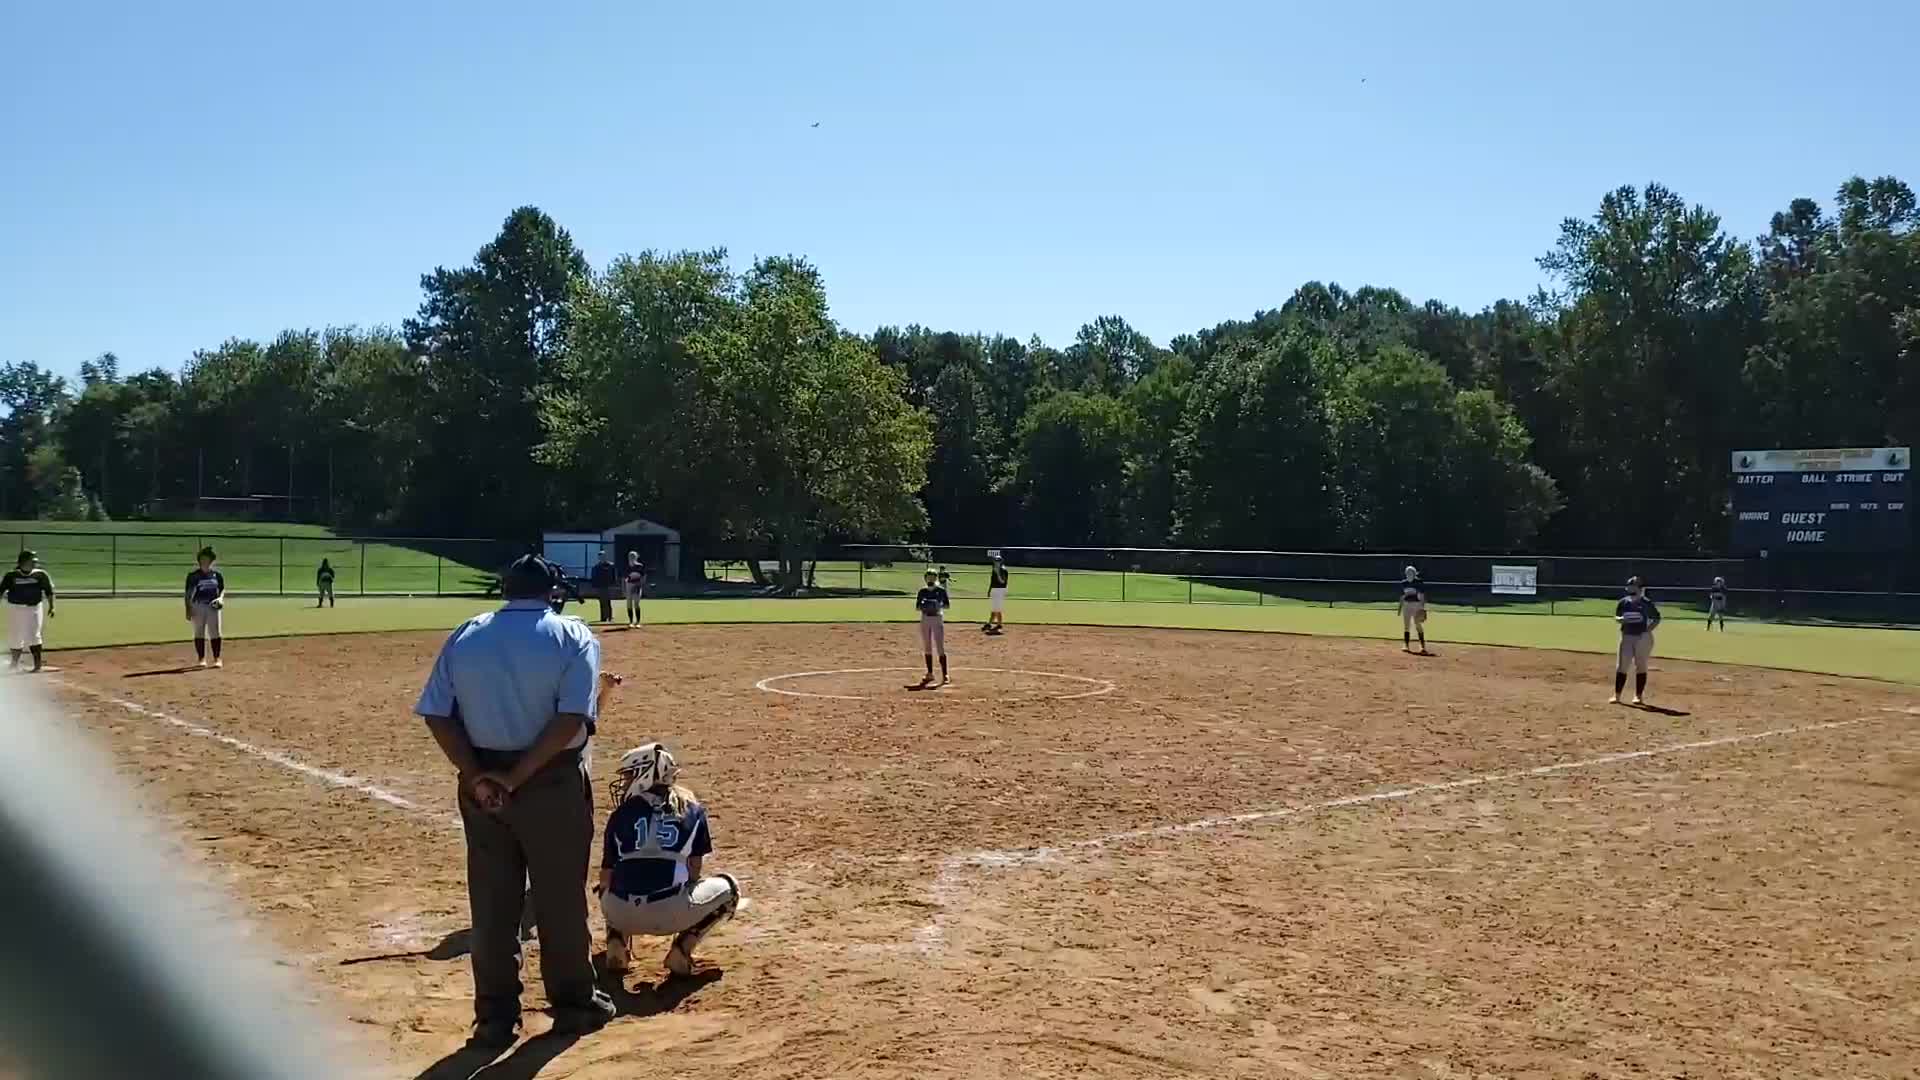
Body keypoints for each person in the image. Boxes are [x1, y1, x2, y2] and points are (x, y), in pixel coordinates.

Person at [413, 554, 616, 1049]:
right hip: (550, 782)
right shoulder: (573, 635)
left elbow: (437, 714)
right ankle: (573, 1004)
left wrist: (478, 774)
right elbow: (571, 720)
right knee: (559, 899)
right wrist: (517, 776)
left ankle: (495, 1018)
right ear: (550, 591)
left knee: (492, 903)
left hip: (481, 787)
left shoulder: (467, 633)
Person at [597, 743, 740, 979]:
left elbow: (605, 876)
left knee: (610, 883)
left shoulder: (620, 814)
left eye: (629, 775)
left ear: (646, 773)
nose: (624, 783)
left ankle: (616, 943)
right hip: (670, 914)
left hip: (619, 913)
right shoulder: (692, 810)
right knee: (730, 888)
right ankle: (681, 951)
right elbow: (694, 870)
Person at [1612, 576, 1662, 706]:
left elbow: (1656, 618)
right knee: (1622, 665)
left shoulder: (1646, 602)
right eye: (1629, 585)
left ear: (1639, 588)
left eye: (1633, 585)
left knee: (1640, 665)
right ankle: (1617, 696)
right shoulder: (1623, 602)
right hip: (1626, 636)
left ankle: (1638, 697)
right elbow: (1617, 616)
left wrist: (1647, 631)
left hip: (1642, 637)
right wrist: (1619, 619)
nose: (1630, 587)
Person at [4, 550, 55, 673]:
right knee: (16, 635)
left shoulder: (41, 575)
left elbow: (49, 591)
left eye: (35, 562)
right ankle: (14, 664)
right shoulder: (11, 575)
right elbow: (0, 591)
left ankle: (37, 666)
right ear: (23, 562)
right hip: (16, 608)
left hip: (34, 608)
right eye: (32, 561)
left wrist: (52, 606)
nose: (34, 564)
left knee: (34, 635)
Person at [184, 547, 226, 669]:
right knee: (199, 632)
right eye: (202, 559)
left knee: (215, 632)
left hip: (213, 607)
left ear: (211, 561)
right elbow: (187, 594)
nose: (205, 561)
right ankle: (201, 659)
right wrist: (188, 609)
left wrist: (221, 598)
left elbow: (222, 589)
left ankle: (217, 658)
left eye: (207, 559)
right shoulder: (193, 576)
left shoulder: (217, 575)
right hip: (198, 606)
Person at [915, 567, 950, 687]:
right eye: (928, 576)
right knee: (927, 646)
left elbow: (946, 606)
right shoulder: (922, 591)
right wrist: (926, 606)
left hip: (937, 618)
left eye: (932, 576)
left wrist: (936, 605)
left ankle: (945, 674)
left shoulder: (941, 590)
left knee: (940, 646)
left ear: (935, 578)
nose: (930, 578)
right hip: (925, 618)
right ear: (925, 578)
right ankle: (930, 673)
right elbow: (918, 608)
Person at [1398, 565, 1428, 655]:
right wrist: (1399, 608)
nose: (1409, 574)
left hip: (1416, 605)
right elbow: (1402, 597)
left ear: (1414, 573)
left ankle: (1422, 646)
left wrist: (1422, 608)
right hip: (1406, 605)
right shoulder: (1403, 583)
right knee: (1406, 626)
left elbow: (1422, 596)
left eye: (1411, 572)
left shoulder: (1418, 582)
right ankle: (1406, 645)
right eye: (1407, 572)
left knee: (1418, 625)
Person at [983, 553, 1009, 635]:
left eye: (997, 561)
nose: (995, 562)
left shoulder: (1003, 570)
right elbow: (992, 581)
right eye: (995, 561)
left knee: (997, 608)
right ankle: (994, 624)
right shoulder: (995, 569)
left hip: (1000, 590)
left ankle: (995, 624)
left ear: (1001, 562)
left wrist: (998, 573)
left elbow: (1002, 581)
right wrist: (989, 590)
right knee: (995, 608)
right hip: (995, 590)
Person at [589, 550, 617, 623]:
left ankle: (610, 617)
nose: (602, 558)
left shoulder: (610, 565)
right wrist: (594, 586)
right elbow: (594, 577)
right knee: (601, 602)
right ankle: (603, 617)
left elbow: (614, 576)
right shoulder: (596, 567)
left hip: (608, 586)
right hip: (600, 586)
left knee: (608, 602)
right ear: (599, 558)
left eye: (603, 556)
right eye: (600, 557)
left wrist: (613, 584)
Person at [623, 551, 647, 628]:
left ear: (636, 557)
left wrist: (640, 585)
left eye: (633, 556)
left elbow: (644, 576)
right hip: (629, 585)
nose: (631, 557)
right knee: (629, 604)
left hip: (637, 585)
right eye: (630, 556)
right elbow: (623, 579)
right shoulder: (626, 567)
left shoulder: (640, 566)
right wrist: (624, 589)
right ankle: (630, 622)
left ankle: (638, 622)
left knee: (636, 604)